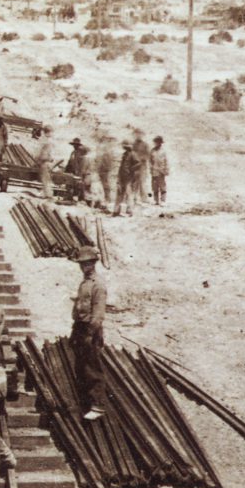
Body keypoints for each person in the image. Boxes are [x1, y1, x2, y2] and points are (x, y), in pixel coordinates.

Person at [70, 245, 107, 420]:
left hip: (90, 329)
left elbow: (98, 313)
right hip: (80, 327)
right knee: (81, 365)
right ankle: (85, 402)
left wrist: (90, 333)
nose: (84, 266)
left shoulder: (97, 285)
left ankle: (98, 405)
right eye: (81, 263)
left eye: (87, 263)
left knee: (92, 368)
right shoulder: (84, 283)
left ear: (94, 263)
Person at [112, 141, 141, 217]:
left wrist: (131, 170)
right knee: (119, 194)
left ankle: (130, 211)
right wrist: (119, 176)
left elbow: (138, 164)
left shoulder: (133, 154)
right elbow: (121, 167)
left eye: (127, 146)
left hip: (129, 178)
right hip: (122, 177)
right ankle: (116, 211)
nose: (126, 148)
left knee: (129, 194)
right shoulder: (124, 155)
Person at [34, 125, 55, 200]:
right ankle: (48, 194)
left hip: (44, 160)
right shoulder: (49, 140)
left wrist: (36, 158)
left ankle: (48, 194)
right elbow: (51, 153)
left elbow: (38, 151)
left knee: (45, 178)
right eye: (51, 132)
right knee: (46, 178)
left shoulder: (44, 140)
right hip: (47, 160)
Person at [131, 130, 150, 205]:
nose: (138, 136)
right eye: (136, 134)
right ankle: (135, 198)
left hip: (142, 166)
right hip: (134, 166)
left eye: (140, 134)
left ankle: (144, 198)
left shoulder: (145, 145)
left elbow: (148, 155)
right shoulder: (133, 145)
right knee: (135, 182)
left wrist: (142, 159)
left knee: (142, 182)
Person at [150, 136, 169, 207]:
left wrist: (166, 170)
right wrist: (151, 169)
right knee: (154, 187)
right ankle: (156, 200)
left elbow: (166, 161)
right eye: (155, 142)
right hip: (154, 171)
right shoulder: (152, 151)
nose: (156, 143)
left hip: (161, 172)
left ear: (160, 143)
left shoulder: (163, 151)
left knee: (162, 186)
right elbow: (150, 161)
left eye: (158, 142)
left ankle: (163, 200)